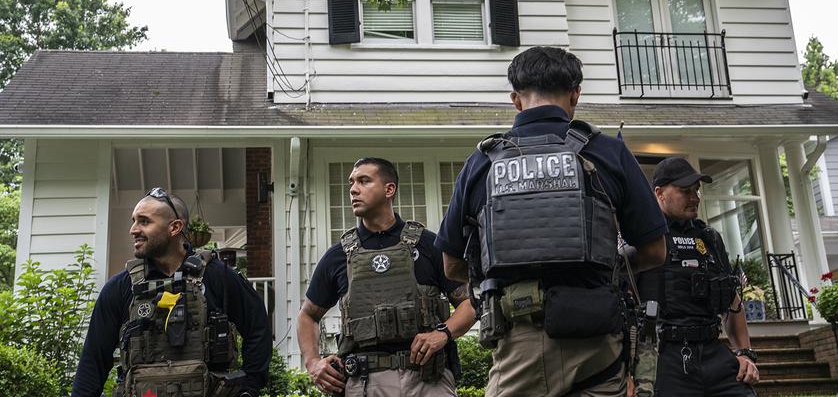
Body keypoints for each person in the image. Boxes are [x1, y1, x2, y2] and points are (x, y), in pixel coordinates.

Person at [436, 46, 668, 397]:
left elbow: (452, 265)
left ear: (516, 99)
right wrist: (609, 259)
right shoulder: (607, 152)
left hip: (519, 345)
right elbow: (654, 251)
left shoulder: (481, 163)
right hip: (597, 340)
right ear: (576, 93)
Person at [297, 157, 475, 396]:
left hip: (427, 379)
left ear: (389, 189)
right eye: (352, 182)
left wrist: (442, 334)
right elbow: (308, 315)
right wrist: (312, 362)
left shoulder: (428, 245)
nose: (353, 189)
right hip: (365, 382)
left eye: (364, 181)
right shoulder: (338, 256)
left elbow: (469, 303)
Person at [71, 187, 271, 397]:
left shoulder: (218, 277)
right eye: (134, 220)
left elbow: (258, 328)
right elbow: (93, 361)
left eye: (144, 221)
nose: (133, 229)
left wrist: (249, 387)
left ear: (175, 227)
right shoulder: (121, 288)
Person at [638, 157, 759, 397]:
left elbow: (732, 300)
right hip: (665, 356)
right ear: (659, 193)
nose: (695, 198)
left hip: (713, 351)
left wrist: (745, 353)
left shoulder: (710, 239)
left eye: (697, 191)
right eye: (685, 191)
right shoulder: (642, 238)